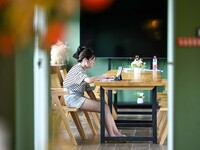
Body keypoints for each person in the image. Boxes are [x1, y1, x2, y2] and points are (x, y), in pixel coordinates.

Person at [63, 46, 124, 137]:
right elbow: (88, 81)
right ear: (85, 60)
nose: (94, 62)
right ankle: (112, 135)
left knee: (104, 107)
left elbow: (89, 91)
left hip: (77, 98)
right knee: (105, 107)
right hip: (73, 99)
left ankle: (116, 133)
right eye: (92, 60)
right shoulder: (77, 70)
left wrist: (97, 103)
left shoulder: (82, 70)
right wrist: (103, 76)